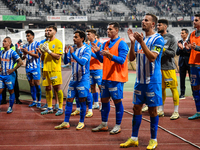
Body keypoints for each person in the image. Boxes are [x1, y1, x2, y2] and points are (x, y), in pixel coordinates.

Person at [120, 13, 165, 149]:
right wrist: (133, 42)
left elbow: (152, 58)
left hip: (152, 81)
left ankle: (153, 139)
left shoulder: (158, 39)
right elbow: (132, 58)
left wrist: (141, 43)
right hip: (140, 81)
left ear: (153, 24)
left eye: (146, 20)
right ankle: (134, 138)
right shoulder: (140, 40)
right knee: (136, 108)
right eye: (143, 19)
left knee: (152, 111)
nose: (142, 21)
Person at [91, 22, 129, 134]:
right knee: (104, 101)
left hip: (116, 78)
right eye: (107, 29)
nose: (108, 31)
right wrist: (98, 52)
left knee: (117, 102)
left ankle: (118, 125)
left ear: (116, 30)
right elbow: (102, 60)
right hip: (106, 77)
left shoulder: (122, 43)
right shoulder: (106, 43)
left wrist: (109, 55)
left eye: (110, 29)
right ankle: (104, 124)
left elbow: (122, 60)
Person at [55, 30, 91, 130]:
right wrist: (66, 54)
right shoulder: (73, 49)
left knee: (82, 101)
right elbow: (67, 62)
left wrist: (73, 54)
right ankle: (66, 122)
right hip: (73, 79)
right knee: (69, 100)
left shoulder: (87, 49)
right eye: (73, 37)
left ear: (82, 38)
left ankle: (81, 122)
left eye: (76, 37)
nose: (73, 39)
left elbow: (83, 62)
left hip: (83, 79)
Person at [157, 19, 180, 120]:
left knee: (173, 88)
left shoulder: (171, 38)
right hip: (158, 68)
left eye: (160, 25)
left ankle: (176, 111)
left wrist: (164, 49)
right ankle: (161, 110)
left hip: (168, 68)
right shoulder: (157, 37)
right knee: (161, 89)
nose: (158, 27)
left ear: (165, 26)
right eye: (157, 25)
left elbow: (173, 53)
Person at [39, 25, 63, 116]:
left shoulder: (58, 42)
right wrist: (42, 52)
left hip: (54, 69)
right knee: (47, 88)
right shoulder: (45, 43)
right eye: (46, 30)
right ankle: (49, 108)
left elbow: (58, 56)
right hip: (46, 69)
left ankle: (60, 108)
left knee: (57, 88)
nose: (47, 32)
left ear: (55, 32)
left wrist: (48, 51)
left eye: (50, 30)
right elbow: (42, 58)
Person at [0, 37, 23, 113]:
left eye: (5, 41)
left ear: (9, 43)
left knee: (11, 91)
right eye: (3, 41)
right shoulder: (1, 52)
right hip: (1, 75)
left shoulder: (13, 52)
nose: (3, 43)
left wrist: (13, 69)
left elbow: (20, 62)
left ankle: (10, 107)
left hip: (9, 76)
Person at [185, 13, 200, 120]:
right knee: (195, 89)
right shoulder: (192, 34)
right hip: (193, 65)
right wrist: (187, 47)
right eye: (194, 20)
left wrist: (197, 47)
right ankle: (198, 111)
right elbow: (190, 48)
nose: (193, 22)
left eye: (196, 20)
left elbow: (197, 48)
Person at [21, 30, 42, 108]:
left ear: (33, 36)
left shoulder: (37, 44)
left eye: (28, 36)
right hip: (28, 67)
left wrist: (27, 52)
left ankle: (39, 101)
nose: (27, 37)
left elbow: (38, 56)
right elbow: (23, 57)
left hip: (35, 67)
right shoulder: (25, 46)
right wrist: (24, 54)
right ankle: (34, 101)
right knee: (31, 84)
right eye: (26, 36)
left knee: (37, 84)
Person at [86, 29, 102, 110]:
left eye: (88, 34)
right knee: (92, 87)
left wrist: (91, 53)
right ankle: (96, 103)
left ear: (93, 35)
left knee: (100, 86)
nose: (87, 36)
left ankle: (103, 103)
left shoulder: (99, 44)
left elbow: (100, 57)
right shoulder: (88, 45)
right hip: (90, 69)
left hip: (97, 69)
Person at [176, 29, 191, 99]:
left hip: (189, 62)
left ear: (187, 34)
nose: (181, 34)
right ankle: (182, 94)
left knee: (192, 79)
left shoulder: (190, 42)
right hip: (182, 63)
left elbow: (190, 52)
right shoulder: (180, 42)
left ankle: (194, 94)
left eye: (183, 33)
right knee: (182, 79)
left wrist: (183, 49)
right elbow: (177, 53)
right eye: (181, 33)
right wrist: (180, 48)